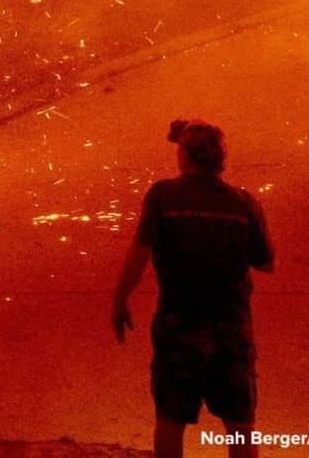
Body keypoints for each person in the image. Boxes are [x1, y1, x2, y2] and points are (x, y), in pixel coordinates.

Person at [112, 119, 275, 458]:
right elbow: (265, 261)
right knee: (240, 423)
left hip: (179, 327)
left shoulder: (163, 196)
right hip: (232, 329)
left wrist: (120, 298)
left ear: (186, 156)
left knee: (171, 418)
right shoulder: (244, 204)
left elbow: (139, 253)